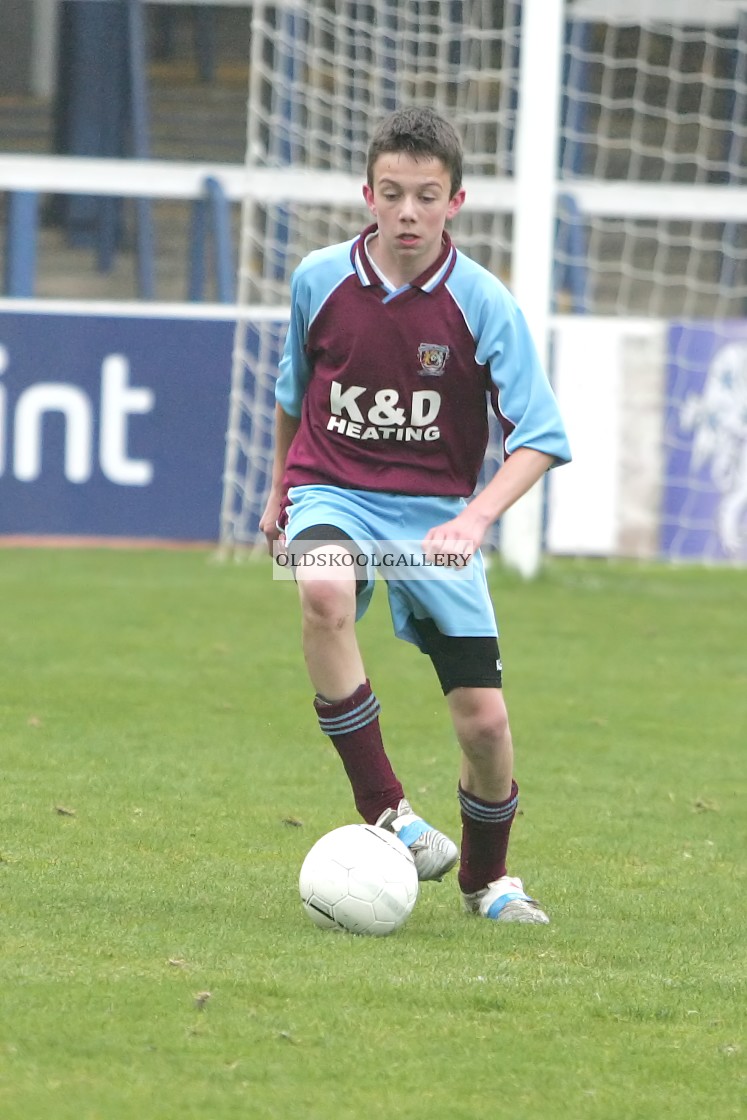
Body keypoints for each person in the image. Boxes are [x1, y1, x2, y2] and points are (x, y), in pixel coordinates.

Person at [259, 106, 571, 924]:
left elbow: (538, 437)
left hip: (433, 518)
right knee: (320, 591)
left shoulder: (482, 303)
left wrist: (473, 520)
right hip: (333, 491)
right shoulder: (317, 279)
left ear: (454, 203)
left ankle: (485, 883)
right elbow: (294, 399)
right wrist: (277, 494)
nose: (407, 213)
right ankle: (388, 809)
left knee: (484, 725)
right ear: (367, 193)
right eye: (391, 194)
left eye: (425, 197)